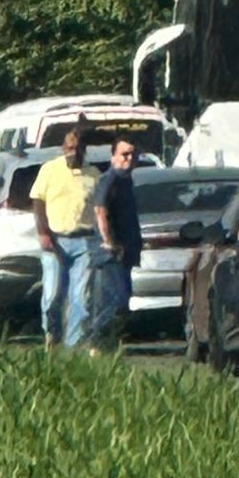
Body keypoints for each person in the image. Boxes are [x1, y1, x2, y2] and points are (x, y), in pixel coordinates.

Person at [31, 126, 99, 348]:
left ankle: (74, 344)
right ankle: (51, 336)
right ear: (63, 148)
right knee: (52, 294)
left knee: (81, 297)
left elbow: (101, 209)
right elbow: (38, 202)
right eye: (70, 148)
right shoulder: (49, 170)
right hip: (55, 241)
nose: (74, 152)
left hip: (84, 241)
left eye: (78, 149)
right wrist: (43, 233)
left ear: (85, 150)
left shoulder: (94, 175)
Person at [88, 136, 142, 349]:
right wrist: (109, 242)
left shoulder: (126, 180)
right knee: (113, 301)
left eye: (132, 154)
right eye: (124, 154)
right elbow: (100, 211)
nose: (129, 158)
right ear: (113, 157)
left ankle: (111, 345)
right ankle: (97, 345)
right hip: (110, 255)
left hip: (126, 252)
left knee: (122, 301)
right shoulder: (110, 179)